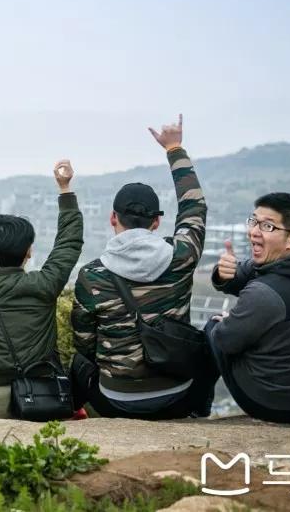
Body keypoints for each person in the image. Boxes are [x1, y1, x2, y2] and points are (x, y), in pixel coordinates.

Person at [70, 114, 213, 419]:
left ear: (112, 218)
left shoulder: (92, 275)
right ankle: (200, 411)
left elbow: (83, 342)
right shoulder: (181, 256)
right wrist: (174, 149)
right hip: (178, 395)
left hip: (117, 398)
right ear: (157, 221)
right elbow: (194, 208)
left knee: (79, 363)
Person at [206, 193, 290, 426]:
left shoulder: (265, 293)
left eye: (267, 226)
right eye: (254, 221)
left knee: (213, 327)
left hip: (280, 405)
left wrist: (231, 321)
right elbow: (246, 274)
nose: (254, 231)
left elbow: (225, 341)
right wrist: (223, 274)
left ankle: (196, 407)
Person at [0, 158, 84, 420]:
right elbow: (69, 244)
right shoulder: (43, 284)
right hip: (42, 393)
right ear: (29, 251)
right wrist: (65, 190)